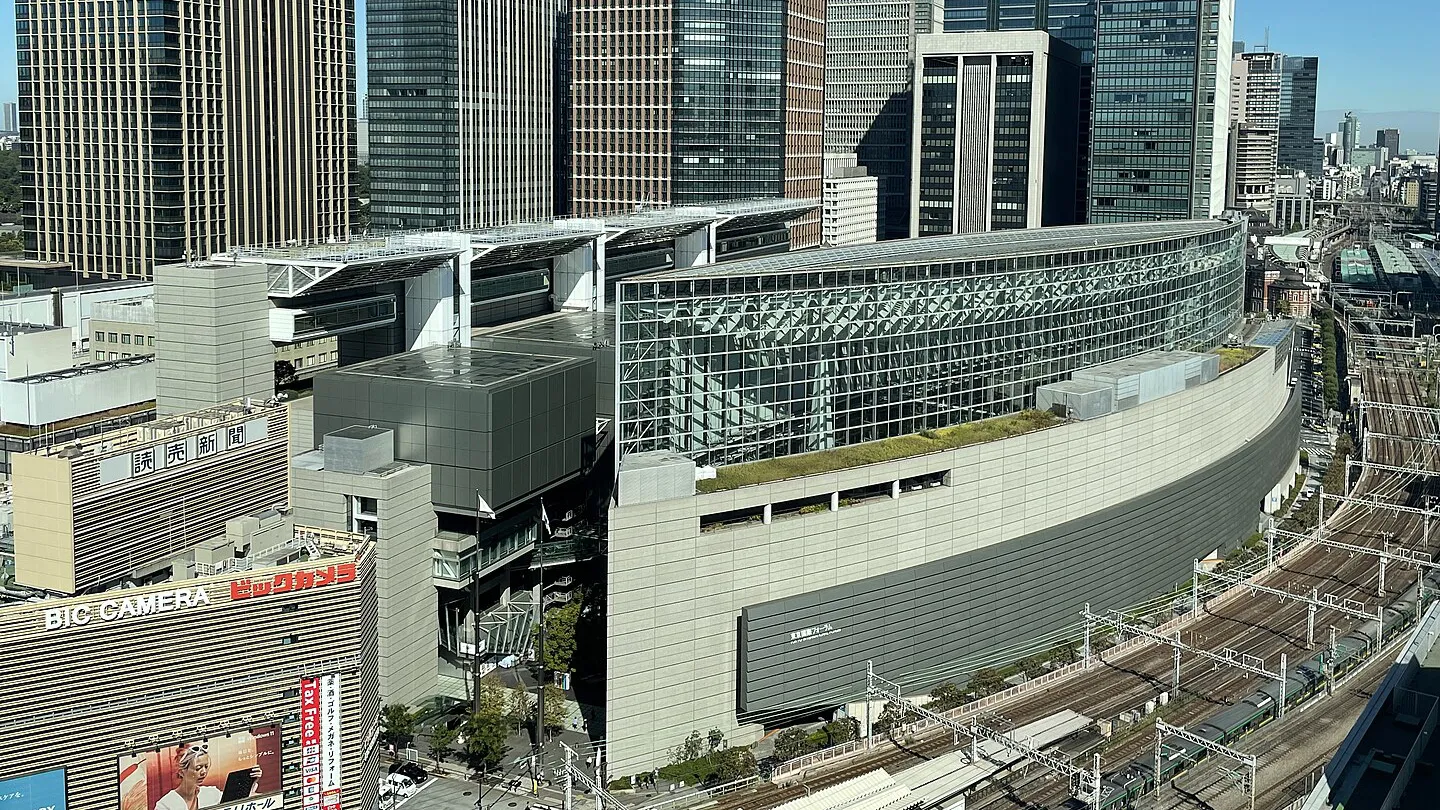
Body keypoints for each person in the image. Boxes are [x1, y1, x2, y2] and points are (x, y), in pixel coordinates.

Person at [154, 745, 262, 810]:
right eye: (198, 768)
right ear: (182, 772)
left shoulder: (211, 793)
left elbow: (238, 802)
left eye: (206, 767)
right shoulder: (165, 804)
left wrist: (251, 781)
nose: (204, 772)